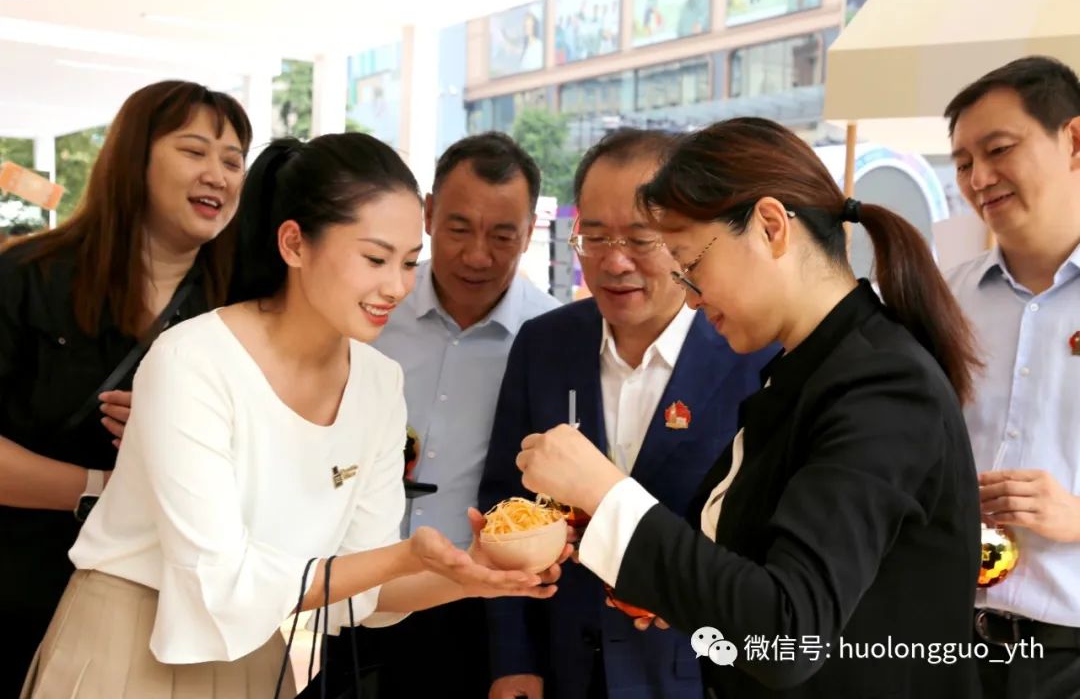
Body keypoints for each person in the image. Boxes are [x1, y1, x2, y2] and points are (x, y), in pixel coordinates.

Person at [19, 132, 565, 699]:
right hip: (129, 645)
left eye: (408, 262)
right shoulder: (194, 360)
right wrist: (404, 556)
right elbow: (218, 585)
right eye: (375, 259)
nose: (397, 286)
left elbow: (361, 595)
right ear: (294, 244)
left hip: (255, 653)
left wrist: (472, 573)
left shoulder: (378, 382)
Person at [515, 117, 985, 698]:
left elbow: (790, 633)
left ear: (770, 227)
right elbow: (755, 580)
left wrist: (607, 494)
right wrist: (667, 583)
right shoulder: (805, 369)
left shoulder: (880, 385)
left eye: (691, 264)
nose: (691, 297)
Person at [481, 129, 777, 699]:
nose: (614, 262)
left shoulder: (751, 354)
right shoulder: (545, 344)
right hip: (564, 666)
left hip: (695, 672)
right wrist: (514, 660)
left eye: (642, 239)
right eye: (593, 237)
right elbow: (503, 502)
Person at [0, 80, 251, 694]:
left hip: (170, 619)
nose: (217, 175)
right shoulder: (27, 278)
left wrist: (186, 436)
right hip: (22, 592)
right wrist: (105, 487)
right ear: (133, 158)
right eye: (194, 151)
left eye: (233, 160)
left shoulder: (244, 306)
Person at [326, 132, 560, 697]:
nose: (477, 255)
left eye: (502, 235)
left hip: (473, 596)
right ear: (428, 214)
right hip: (356, 580)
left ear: (530, 231)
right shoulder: (373, 307)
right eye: (458, 228)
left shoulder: (549, 338)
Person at [944, 55, 1080, 698]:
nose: (979, 179)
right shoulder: (943, 302)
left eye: (998, 150)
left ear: (1073, 140)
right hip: (948, 638)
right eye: (962, 162)